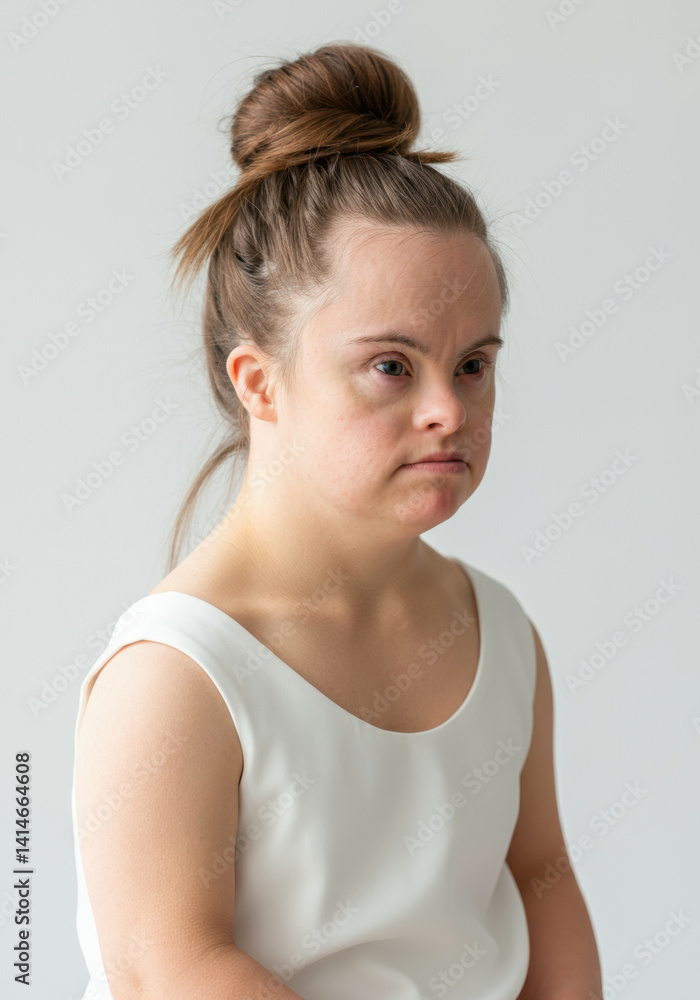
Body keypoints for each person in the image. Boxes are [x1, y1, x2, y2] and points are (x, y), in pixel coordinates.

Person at [71, 41, 602, 1000]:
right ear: (259, 382)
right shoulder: (177, 677)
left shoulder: (501, 633)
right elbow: (167, 967)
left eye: (473, 365)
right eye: (392, 366)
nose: (448, 409)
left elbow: (540, 879)